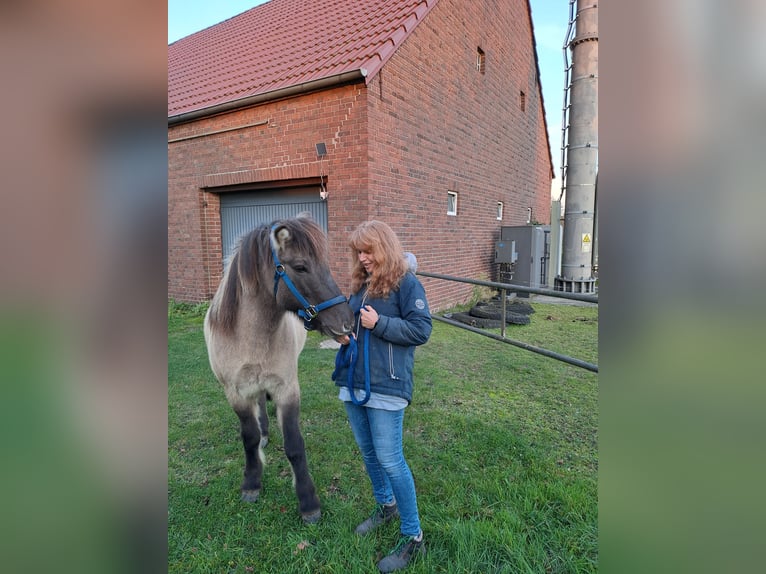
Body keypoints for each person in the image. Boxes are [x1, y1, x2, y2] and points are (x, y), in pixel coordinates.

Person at [333, 221, 432, 573]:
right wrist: (347, 335)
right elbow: (355, 325)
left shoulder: (407, 283)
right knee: (369, 453)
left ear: (384, 248)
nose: (362, 258)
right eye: (358, 252)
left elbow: (422, 330)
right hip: (355, 382)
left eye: (368, 251)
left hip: (388, 387)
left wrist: (381, 325)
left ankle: (413, 536)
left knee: (391, 460)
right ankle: (385, 505)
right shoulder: (361, 285)